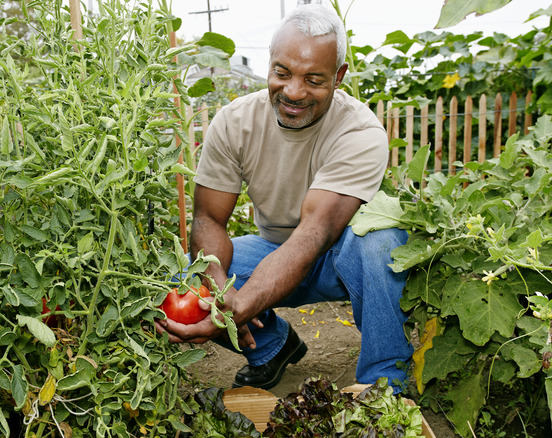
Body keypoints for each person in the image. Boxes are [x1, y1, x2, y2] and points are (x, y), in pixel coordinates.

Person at [155, 4, 413, 391]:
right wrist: (220, 294)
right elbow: (209, 220)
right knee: (185, 279)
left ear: (339, 76)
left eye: (313, 79)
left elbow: (317, 233)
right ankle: (273, 347)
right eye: (282, 73)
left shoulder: (360, 132)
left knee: (382, 244)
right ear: (270, 63)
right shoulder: (235, 121)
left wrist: (239, 308)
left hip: (340, 257)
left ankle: (384, 386)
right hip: (272, 251)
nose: (293, 91)